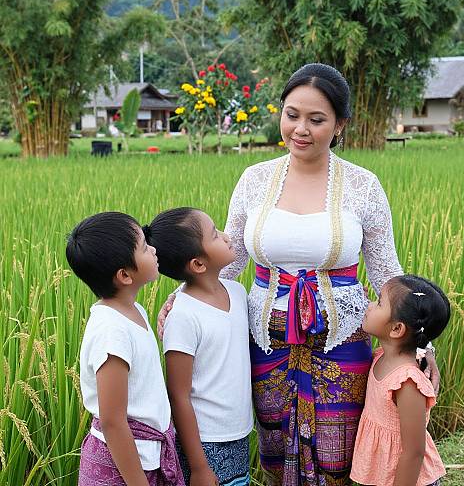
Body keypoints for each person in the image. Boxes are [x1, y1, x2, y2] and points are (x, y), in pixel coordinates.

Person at [158, 63, 439, 485]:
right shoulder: (255, 179)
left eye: (317, 119)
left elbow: (386, 272)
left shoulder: (364, 186)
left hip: (342, 340)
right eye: (292, 115)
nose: (300, 129)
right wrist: (183, 298)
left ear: (340, 124)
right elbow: (229, 258)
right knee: (274, 448)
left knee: (339, 456)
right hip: (264, 340)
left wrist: (423, 344)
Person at [66, 212, 184, 486]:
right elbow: (113, 421)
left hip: (145, 456)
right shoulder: (112, 333)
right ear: (124, 275)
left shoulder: (135, 311)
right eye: (144, 247)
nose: (153, 250)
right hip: (121, 468)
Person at [144, 208, 253, 486]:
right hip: (204, 442)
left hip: (238, 433)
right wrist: (199, 467)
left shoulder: (238, 293)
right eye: (215, 234)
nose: (228, 237)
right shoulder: (182, 317)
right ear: (198, 264)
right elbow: (178, 394)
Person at [350, 275, 450, 486]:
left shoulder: (407, 381)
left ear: (396, 329)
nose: (369, 306)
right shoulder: (380, 357)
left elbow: (414, 452)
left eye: (378, 303)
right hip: (384, 476)